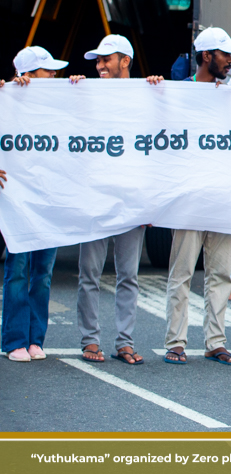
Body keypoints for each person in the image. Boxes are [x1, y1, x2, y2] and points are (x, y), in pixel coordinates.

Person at [75, 35, 163, 364]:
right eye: (97, 61)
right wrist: (70, 90)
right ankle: (90, 342)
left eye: (105, 60)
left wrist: (157, 88)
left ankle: (125, 342)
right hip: (96, 197)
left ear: (125, 61)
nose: (99, 66)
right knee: (89, 274)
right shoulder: (85, 92)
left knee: (128, 275)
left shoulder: (147, 94)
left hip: (132, 199)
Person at [163, 27, 231, 366]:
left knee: (221, 274)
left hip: (224, 198)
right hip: (189, 199)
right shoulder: (175, 93)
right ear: (207, 56)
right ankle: (176, 342)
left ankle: (215, 341)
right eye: (225, 54)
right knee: (181, 273)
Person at [1, 46, 72, 362]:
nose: (54, 75)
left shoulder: (56, 105)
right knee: (18, 267)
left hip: (48, 199)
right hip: (18, 200)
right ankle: (15, 339)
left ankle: (34, 338)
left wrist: (80, 87)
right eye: (47, 71)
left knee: (43, 270)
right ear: (26, 75)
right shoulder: (6, 100)